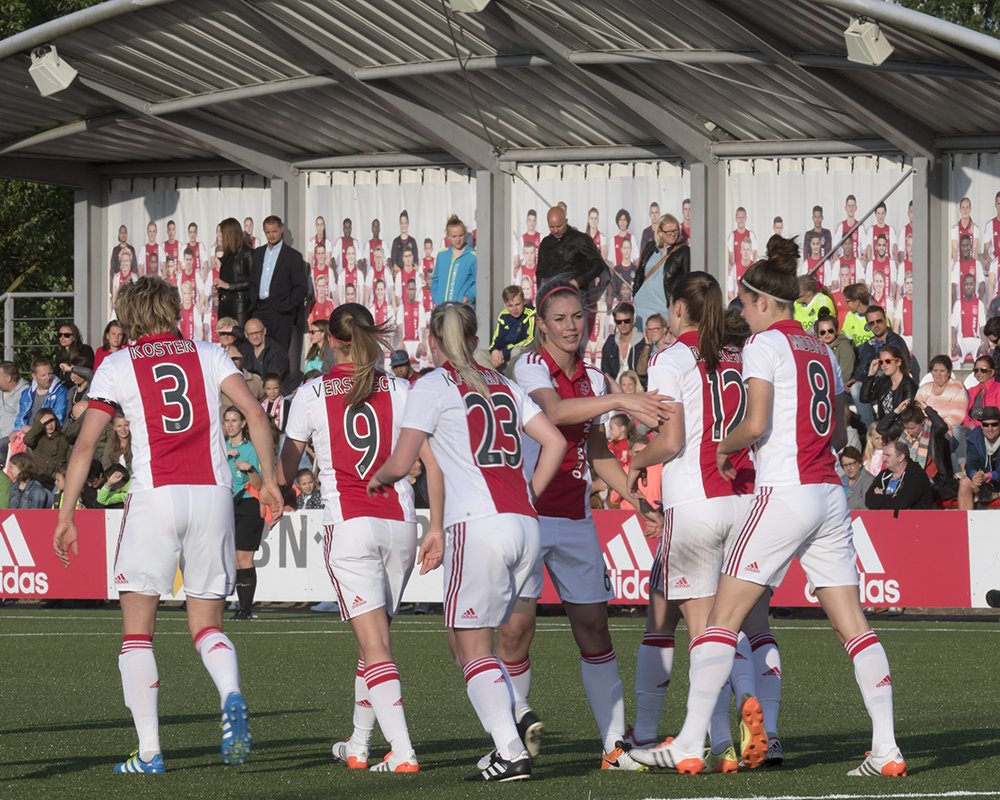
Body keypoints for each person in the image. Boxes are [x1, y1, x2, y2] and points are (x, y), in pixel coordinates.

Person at [633, 236, 904, 778]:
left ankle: (689, 741)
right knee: (854, 626)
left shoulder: (764, 345)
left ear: (761, 302)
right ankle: (886, 749)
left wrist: (724, 449)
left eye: (745, 304)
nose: (742, 315)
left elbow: (754, 425)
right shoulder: (823, 349)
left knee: (719, 621)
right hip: (829, 494)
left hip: (784, 492)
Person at [53, 276, 283, 775]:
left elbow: (87, 444)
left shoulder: (116, 364)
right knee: (207, 625)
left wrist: (68, 511)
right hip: (214, 496)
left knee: (137, 632)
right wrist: (268, 481)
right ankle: (231, 692)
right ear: (173, 310)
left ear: (130, 316)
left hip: (156, 496)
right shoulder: (208, 353)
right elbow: (256, 417)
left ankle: (151, 752)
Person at [366, 302, 567, 782]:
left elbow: (403, 459)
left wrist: (377, 478)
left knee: (469, 644)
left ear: (434, 342)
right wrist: (527, 496)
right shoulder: (508, 384)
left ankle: (510, 750)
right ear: (476, 340)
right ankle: (512, 724)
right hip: (524, 522)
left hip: (476, 525)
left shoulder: (431, 385)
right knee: (473, 640)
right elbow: (556, 442)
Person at [504, 282, 669, 773]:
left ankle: (613, 746)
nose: (572, 326)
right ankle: (513, 729)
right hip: (528, 514)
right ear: (542, 322)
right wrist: (621, 402)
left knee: (594, 628)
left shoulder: (595, 378)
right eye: (560, 318)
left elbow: (596, 451)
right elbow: (554, 412)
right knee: (515, 631)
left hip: (576, 517)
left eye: (578, 317)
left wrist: (637, 498)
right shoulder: (528, 365)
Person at [628, 271, 782, 769]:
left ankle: (720, 741)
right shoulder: (740, 354)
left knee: (704, 632)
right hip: (744, 497)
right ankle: (756, 725)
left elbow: (671, 441)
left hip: (694, 500)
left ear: (677, 309)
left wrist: (636, 460)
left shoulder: (669, 357)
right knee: (744, 625)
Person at [278, 303, 438, 774]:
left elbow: (287, 470)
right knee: (375, 642)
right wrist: (437, 525)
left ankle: (403, 750)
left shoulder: (311, 393)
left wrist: (271, 490)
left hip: (351, 523)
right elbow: (434, 461)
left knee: (376, 646)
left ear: (330, 340)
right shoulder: (403, 388)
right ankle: (359, 742)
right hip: (401, 522)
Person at [222, 407, 264, 621]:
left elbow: (259, 484)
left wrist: (250, 469)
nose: (230, 424)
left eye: (234, 420)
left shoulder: (252, 449)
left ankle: (245, 609)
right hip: (223, 504)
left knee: (243, 558)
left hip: (248, 504)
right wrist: (222, 455)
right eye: (227, 420)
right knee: (225, 557)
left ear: (243, 424)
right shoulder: (219, 448)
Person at [251, 214, 308, 356]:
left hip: (282, 312)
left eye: (274, 231)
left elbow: (301, 287)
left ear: (281, 229)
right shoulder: (257, 253)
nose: (271, 235)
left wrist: (287, 306)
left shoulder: (292, 256)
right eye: (268, 232)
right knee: (259, 351)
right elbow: (253, 281)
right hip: (260, 309)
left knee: (280, 352)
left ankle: (280, 378)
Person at [850, 306, 910, 427]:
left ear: (885, 320)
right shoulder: (870, 343)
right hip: (873, 384)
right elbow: (863, 366)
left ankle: (872, 431)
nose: (876, 325)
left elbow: (891, 369)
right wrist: (854, 379)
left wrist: (864, 380)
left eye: (879, 321)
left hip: (890, 384)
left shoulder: (896, 342)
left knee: (856, 389)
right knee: (842, 393)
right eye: (872, 323)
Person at [536, 206, 608, 300]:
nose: (555, 230)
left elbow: (598, 265)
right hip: (551, 298)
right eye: (551, 227)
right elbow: (540, 273)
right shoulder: (545, 243)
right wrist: (541, 295)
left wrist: (577, 282)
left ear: (566, 221)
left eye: (559, 226)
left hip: (576, 296)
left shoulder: (580, 239)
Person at [632, 213, 690, 326]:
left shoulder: (683, 252)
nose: (673, 234)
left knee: (661, 341)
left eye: (675, 230)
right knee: (642, 342)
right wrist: (636, 294)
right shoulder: (650, 247)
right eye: (668, 231)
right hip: (641, 307)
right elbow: (640, 273)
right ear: (659, 232)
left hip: (662, 308)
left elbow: (687, 282)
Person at [915, 355, 969, 469]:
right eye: (935, 370)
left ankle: (937, 472)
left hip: (946, 430)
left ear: (948, 372)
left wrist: (934, 427)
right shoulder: (924, 388)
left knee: (933, 438)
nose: (938, 374)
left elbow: (957, 416)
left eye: (942, 371)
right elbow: (916, 410)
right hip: (924, 428)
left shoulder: (957, 388)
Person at [865, 439, 934, 510]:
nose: (883, 459)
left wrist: (881, 497)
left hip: (915, 519)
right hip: (886, 519)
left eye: (888, 455)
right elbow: (868, 499)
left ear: (900, 457)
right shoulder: (884, 474)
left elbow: (901, 502)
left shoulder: (916, 475)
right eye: (883, 455)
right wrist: (892, 498)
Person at [859, 345, 917, 423]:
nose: (884, 365)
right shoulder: (884, 382)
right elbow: (864, 398)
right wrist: (870, 375)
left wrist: (883, 430)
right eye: (881, 362)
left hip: (900, 429)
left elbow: (906, 418)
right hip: (883, 428)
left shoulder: (909, 385)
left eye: (888, 361)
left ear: (898, 362)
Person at [216, 217, 257, 327]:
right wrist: (219, 288)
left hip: (240, 307)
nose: (220, 237)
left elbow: (254, 282)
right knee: (225, 340)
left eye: (222, 233)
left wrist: (229, 286)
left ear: (229, 234)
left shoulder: (248, 253)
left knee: (239, 340)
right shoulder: (227, 255)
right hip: (224, 305)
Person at [958, 406, 1000, 510]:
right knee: (964, 482)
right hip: (986, 480)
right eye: (986, 425)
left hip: (994, 477)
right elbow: (971, 462)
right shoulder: (975, 436)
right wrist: (974, 475)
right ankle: (965, 524)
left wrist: (990, 475)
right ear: (981, 425)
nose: (990, 428)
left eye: (994, 424)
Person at [431, 215, 476, 306]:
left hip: (461, 308)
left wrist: (468, 296)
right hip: (442, 308)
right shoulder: (442, 255)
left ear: (465, 234)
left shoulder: (473, 256)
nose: (458, 239)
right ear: (448, 237)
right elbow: (435, 278)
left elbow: (478, 281)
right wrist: (436, 298)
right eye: (454, 236)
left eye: (461, 235)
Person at [489, 285, 535, 370]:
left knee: (516, 351)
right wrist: (494, 350)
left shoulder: (531, 313)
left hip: (522, 354)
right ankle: (493, 380)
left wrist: (505, 351)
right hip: (504, 355)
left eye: (517, 304)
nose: (514, 309)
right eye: (510, 305)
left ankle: (513, 380)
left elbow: (531, 340)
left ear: (523, 301)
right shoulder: (503, 315)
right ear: (506, 305)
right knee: (480, 354)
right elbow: (497, 339)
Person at [241, 318, 291, 393]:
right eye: (251, 334)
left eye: (257, 332)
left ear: (264, 331)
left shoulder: (277, 352)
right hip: (251, 393)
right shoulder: (245, 350)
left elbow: (272, 381)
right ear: (246, 335)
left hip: (275, 396)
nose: (254, 337)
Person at [15, 358, 68, 429]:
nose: (48, 378)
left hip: (46, 433)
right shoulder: (26, 393)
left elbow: (58, 418)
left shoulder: (60, 391)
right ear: (34, 376)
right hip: (26, 432)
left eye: (50, 373)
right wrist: (16, 431)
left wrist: (34, 431)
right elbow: (20, 417)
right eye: (43, 375)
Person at [23, 408, 70, 487]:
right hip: (39, 481)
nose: (50, 425)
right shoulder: (37, 438)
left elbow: (69, 460)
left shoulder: (63, 439)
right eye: (46, 422)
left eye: (52, 421)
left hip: (57, 482)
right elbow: (27, 440)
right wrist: (39, 424)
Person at [601, 302, 644, 382]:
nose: (623, 324)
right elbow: (605, 372)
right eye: (619, 322)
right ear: (615, 322)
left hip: (638, 390)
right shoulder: (610, 343)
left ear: (633, 320)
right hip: (615, 390)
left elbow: (644, 374)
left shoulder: (643, 342)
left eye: (626, 321)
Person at [814, 311, 855, 390]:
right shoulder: (817, 349)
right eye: (822, 332)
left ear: (836, 331)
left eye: (830, 331)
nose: (827, 334)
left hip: (838, 388)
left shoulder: (844, 346)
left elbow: (845, 375)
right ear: (818, 334)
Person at [632, 313, 670, 389]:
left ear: (664, 329)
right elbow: (641, 371)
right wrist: (647, 345)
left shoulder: (672, 348)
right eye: (649, 329)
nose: (652, 332)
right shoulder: (650, 350)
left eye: (655, 329)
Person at [965, 355, 1000, 428]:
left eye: (983, 370)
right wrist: (968, 424)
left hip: (990, 428)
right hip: (970, 429)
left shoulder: (998, 389)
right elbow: (965, 415)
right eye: (976, 370)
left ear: (992, 372)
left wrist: (976, 424)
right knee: (957, 430)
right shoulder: (971, 391)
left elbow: (996, 415)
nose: (979, 373)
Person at [840, 446, 873, 511]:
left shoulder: (869, 480)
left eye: (851, 464)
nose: (849, 468)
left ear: (860, 463)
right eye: (845, 465)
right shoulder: (841, 481)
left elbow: (866, 507)